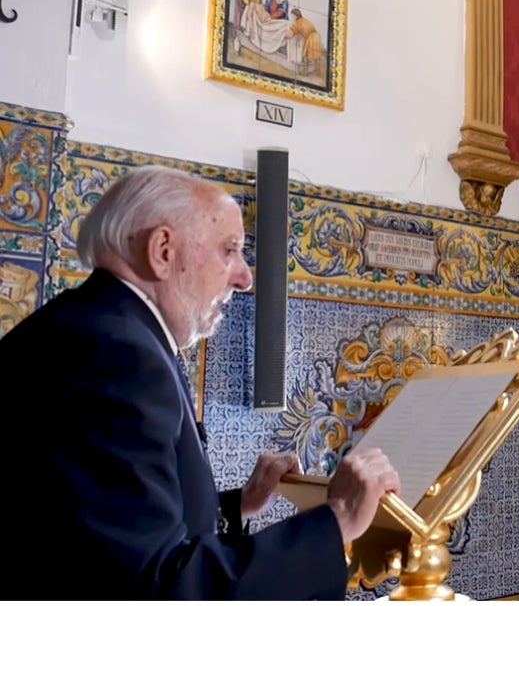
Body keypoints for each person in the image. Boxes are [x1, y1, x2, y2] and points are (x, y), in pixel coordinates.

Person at [0, 165, 401, 599]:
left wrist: (241, 503)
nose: (244, 277)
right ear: (163, 251)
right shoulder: (117, 352)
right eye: (229, 250)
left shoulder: (99, 327)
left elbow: (111, 531)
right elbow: (155, 591)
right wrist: (337, 519)